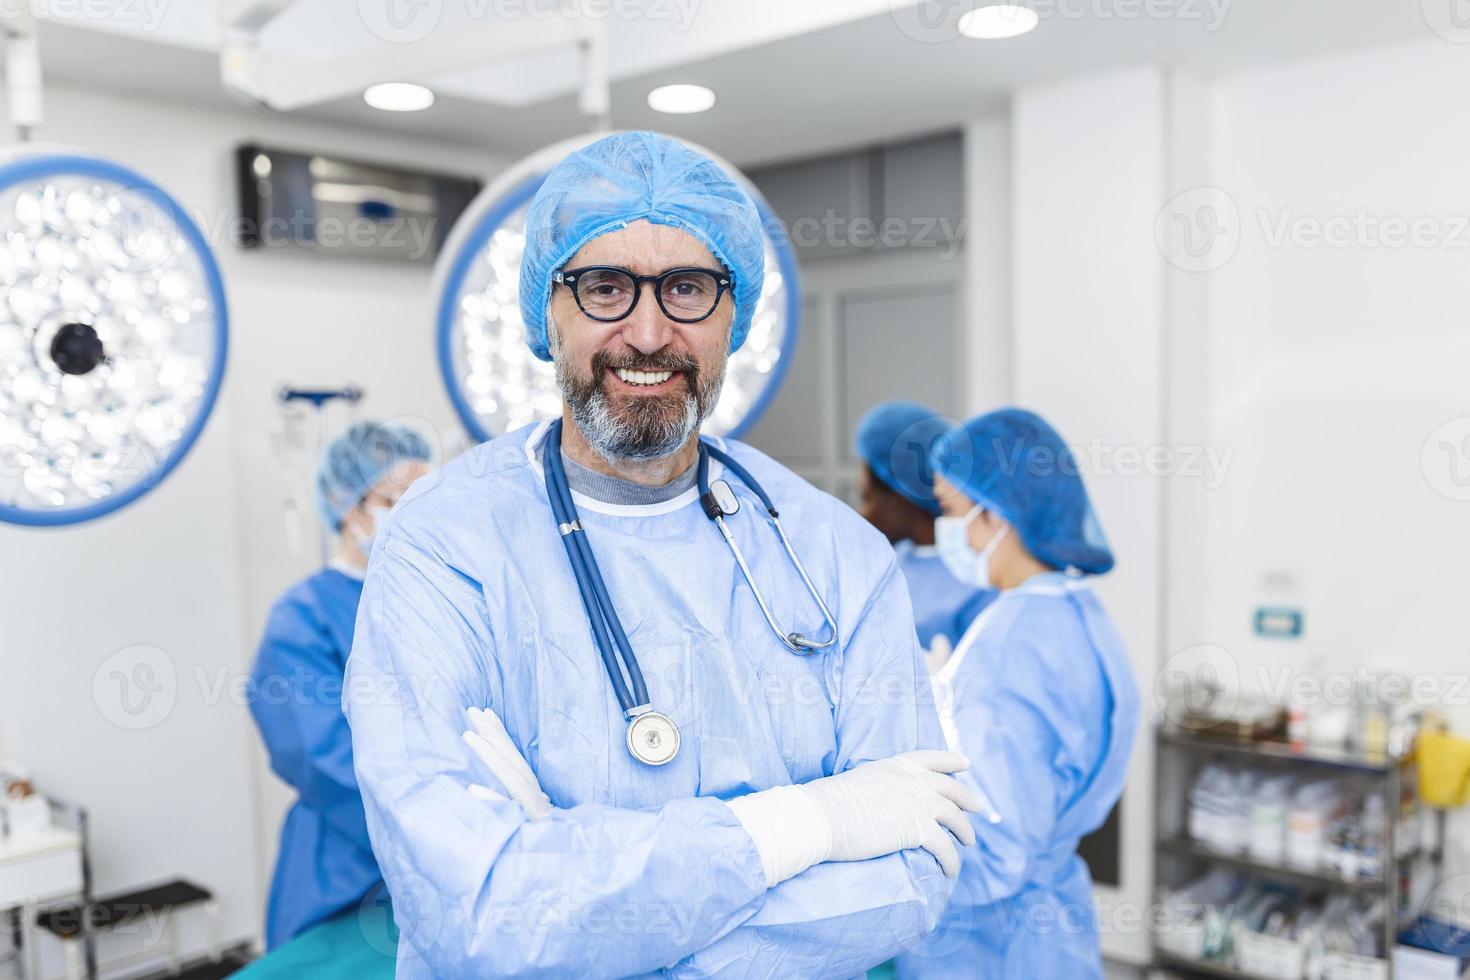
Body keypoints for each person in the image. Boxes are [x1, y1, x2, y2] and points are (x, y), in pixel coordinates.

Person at [344, 131, 983, 979]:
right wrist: (804, 826)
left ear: (734, 313)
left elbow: (913, 869)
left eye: (687, 287)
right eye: (605, 286)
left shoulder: (834, 552)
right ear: (548, 308)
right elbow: (477, 907)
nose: (648, 333)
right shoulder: (445, 543)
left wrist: (582, 916)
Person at [894, 408, 1140, 979]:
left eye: (952, 512)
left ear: (997, 515)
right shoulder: (1079, 612)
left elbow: (995, 848)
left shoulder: (1011, 644)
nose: (946, 531)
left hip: (990, 944)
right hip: (1051, 932)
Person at [248, 420, 432, 951]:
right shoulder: (302, 618)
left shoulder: (434, 602)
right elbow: (322, 757)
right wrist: (435, 831)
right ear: (350, 507)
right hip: (348, 871)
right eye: (399, 500)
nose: (417, 515)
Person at [854, 401, 994, 658]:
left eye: (867, 498)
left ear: (900, 497)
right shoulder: (885, 567)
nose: (863, 514)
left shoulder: (977, 582)